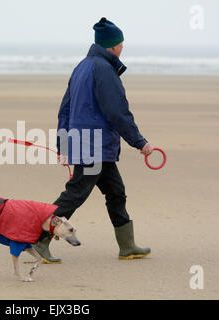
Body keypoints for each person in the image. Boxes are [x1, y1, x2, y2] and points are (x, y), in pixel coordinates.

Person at [33, 17, 153, 263]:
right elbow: (117, 111)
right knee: (75, 194)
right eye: (121, 43)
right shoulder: (103, 70)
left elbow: (64, 109)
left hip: (92, 146)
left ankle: (127, 246)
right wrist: (140, 142)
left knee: (116, 193)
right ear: (113, 46)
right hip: (94, 147)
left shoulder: (82, 66)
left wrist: (64, 145)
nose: (123, 47)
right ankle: (38, 240)